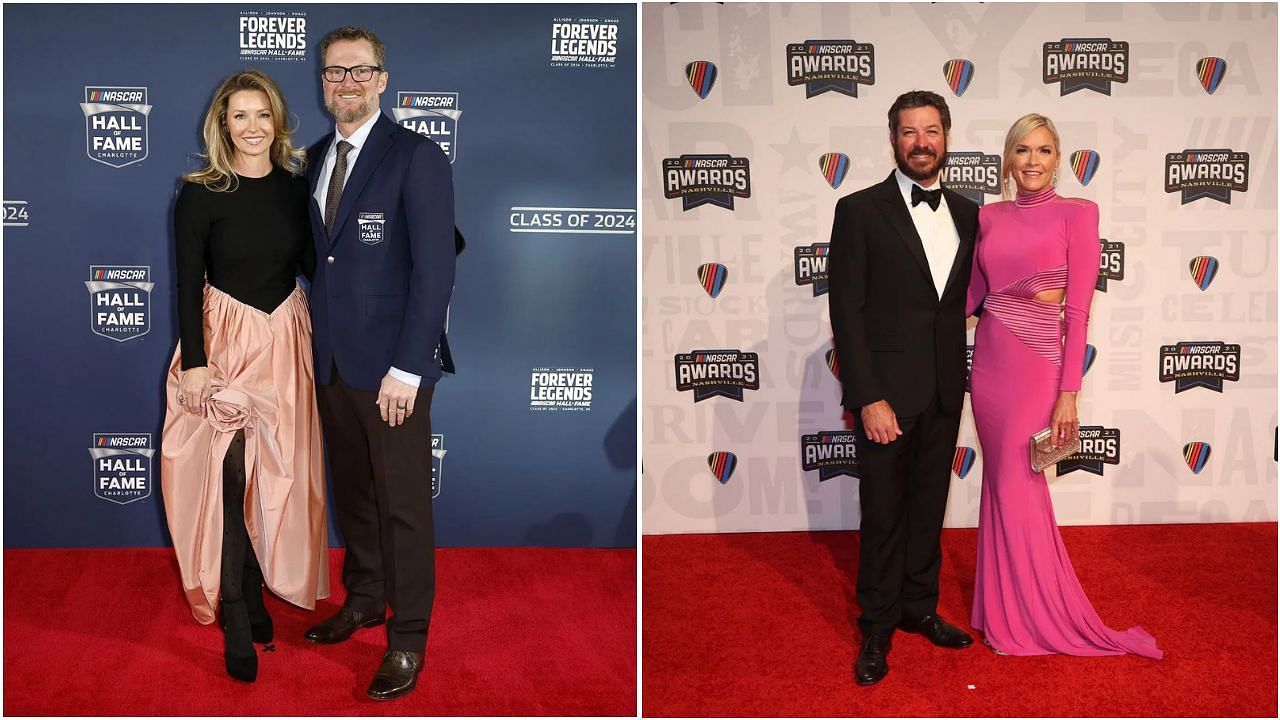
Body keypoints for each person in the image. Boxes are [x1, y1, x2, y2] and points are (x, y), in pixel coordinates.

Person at [965, 113, 1162, 659]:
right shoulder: (988, 217)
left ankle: (1034, 618)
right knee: (999, 486)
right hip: (989, 365)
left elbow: (1078, 312)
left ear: (1059, 158)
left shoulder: (1079, 214)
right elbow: (972, 296)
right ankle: (1000, 609)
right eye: (1023, 150)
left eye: (1044, 150)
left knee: (1017, 484)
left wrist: (1068, 391)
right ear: (1008, 159)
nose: (1033, 161)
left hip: (1037, 366)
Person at [301, 26, 456, 701]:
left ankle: (408, 638)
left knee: (402, 509)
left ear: (383, 79)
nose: (347, 83)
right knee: (356, 496)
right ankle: (363, 597)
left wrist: (409, 368)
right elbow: (318, 263)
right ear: (323, 82)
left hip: (393, 370)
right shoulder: (311, 159)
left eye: (360, 71)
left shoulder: (416, 156)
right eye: (336, 73)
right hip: (332, 362)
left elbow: (435, 271)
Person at [160, 69, 329, 683]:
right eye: (240, 116)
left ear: (278, 122)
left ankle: (254, 590)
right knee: (229, 474)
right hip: (225, 348)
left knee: (272, 475)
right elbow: (186, 282)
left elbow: (319, 265)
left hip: (284, 342)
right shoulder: (199, 192)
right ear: (222, 125)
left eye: (263, 115)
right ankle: (234, 607)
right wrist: (198, 363)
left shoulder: (295, 189)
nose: (253, 127)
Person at [827, 90, 978, 686]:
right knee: (883, 515)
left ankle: (919, 608)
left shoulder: (970, 213)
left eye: (932, 130)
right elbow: (848, 309)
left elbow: (977, 296)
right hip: (887, 395)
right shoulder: (859, 209)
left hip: (945, 388)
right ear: (892, 139)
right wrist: (867, 395)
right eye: (910, 132)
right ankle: (877, 626)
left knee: (927, 510)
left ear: (947, 137)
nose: (922, 142)